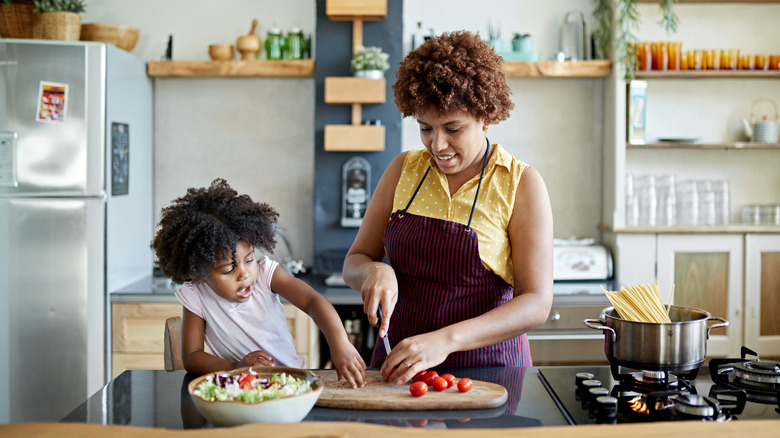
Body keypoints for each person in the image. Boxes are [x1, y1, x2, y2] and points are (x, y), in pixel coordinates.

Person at [342, 31, 553, 383]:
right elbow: (354, 262)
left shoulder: (519, 183)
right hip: (399, 368)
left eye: (453, 128)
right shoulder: (403, 169)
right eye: (425, 129)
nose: (437, 145)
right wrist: (375, 270)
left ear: (486, 116)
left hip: (489, 375)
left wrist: (445, 341)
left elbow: (536, 302)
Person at [152, 178, 367, 387]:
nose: (245, 274)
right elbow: (191, 356)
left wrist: (339, 343)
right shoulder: (196, 294)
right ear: (200, 273)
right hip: (239, 389)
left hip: (292, 383)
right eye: (228, 270)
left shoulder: (265, 274)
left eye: (249, 260)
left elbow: (312, 300)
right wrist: (236, 367)